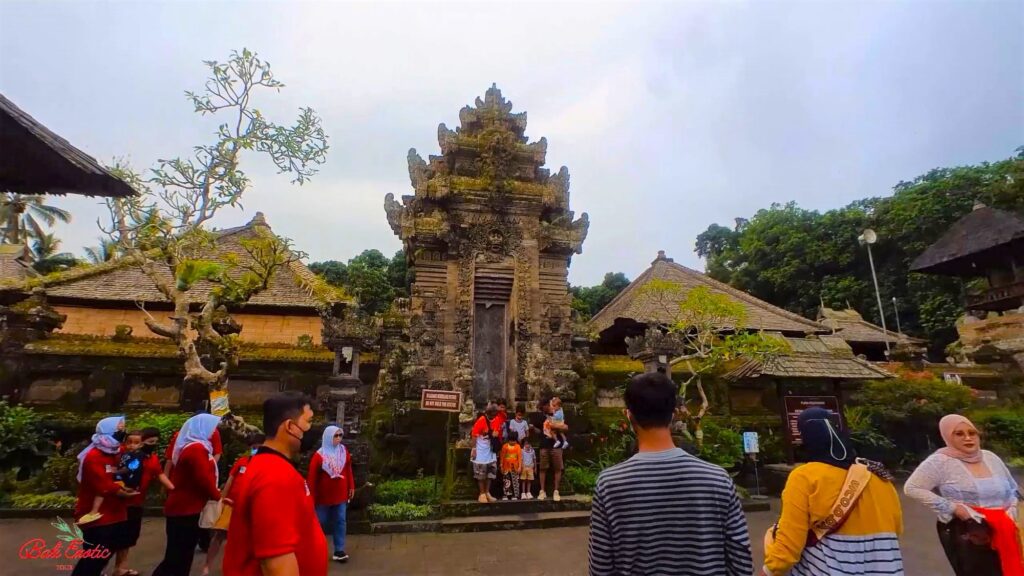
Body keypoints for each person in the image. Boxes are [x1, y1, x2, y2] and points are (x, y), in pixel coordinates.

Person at [587, 372, 752, 576]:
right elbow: (741, 563)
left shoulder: (610, 484)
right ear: (674, 414)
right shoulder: (717, 478)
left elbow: (600, 568)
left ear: (628, 415)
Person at [762, 407, 905, 575]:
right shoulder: (877, 475)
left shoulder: (805, 477)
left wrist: (770, 570)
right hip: (885, 566)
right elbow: (896, 527)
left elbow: (789, 542)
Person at [223, 392, 327, 576]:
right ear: (290, 427)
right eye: (308, 421)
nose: (313, 428)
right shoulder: (274, 477)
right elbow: (276, 563)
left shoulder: (270, 466)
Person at [905, 414, 1023, 576]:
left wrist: (1013, 506)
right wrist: (954, 508)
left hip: (1004, 528)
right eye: (959, 434)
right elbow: (912, 487)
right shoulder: (940, 461)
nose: (968, 438)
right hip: (968, 529)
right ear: (947, 436)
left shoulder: (990, 457)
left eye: (972, 433)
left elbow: (1012, 487)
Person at [153, 414, 222, 576]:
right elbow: (203, 478)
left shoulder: (196, 447)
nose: (213, 431)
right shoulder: (196, 449)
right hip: (185, 508)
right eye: (211, 428)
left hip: (187, 507)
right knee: (178, 556)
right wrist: (218, 496)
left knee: (180, 554)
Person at [72, 416, 137, 576]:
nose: (123, 432)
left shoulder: (116, 451)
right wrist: (122, 491)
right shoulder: (94, 456)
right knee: (95, 555)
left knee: (105, 552)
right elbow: (102, 484)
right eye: (119, 429)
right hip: (97, 515)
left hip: (115, 511)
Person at [112, 428, 174, 576]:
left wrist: (173, 489)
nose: (133, 445)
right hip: (118, 502)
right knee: (113, 537)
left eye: (137, 442)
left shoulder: (151, 458)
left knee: (129, 538)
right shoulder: (120, 455)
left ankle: (121, 567)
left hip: (136, 502)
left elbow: (159, 475)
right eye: (130, 442)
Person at [203, 433, 264, 576]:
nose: (255, 451)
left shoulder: (265, 465)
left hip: (250, 508)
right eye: (253, 448)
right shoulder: (242, 462)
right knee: (218, 535)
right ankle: (207, 565)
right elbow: (230, 481)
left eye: (259, 448)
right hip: (230, 504)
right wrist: (222, 500)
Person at [307, 425, 356, 564]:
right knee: (319, 522)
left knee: (340, 521)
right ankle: (313, 549)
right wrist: (311, 496)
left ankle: (339, 550)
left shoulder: (343, 451)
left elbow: (348, 469)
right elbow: (312, 478)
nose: (339, 439)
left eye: (340, 435)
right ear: (328, 437)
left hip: (340, 494)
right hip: (323, 497)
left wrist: (351, 486)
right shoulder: (319, 456)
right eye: (336, 436)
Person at [532, 398, 567, 501]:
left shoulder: (559, 414)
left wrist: (555, 426)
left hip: (557, 445)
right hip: (544, 444)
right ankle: (542, 491)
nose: (546, 408)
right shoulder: (540, 416)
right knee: (543, 468)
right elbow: (538, 429)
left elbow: (566, 427)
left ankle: (556, 491)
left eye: (548, 405)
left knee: (558, 468)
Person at [471, 403, 499, 504]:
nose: (495, 416)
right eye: (493, 414)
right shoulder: (481, 420)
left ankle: (487, 492)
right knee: (480, 473)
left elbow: (496, 432)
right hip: (481, 449)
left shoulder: (496, 420)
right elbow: (474, 435)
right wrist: (474, 449)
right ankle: (482, 493)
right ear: (489, 413)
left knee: (490, 472)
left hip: (490, 449)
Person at [500, 430, 523, 501]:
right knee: (506, 481)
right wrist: (501, 465)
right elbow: (502, 456)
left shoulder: (518, 446)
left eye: (514, 441)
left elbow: (519, 457)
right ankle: (506, 494)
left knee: (515, 481)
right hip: (506, 466)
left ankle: (514, 495)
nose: (512, 442)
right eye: (511, 440)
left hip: (515, 466)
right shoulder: (505, 446)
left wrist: (519, 466)